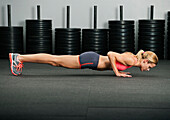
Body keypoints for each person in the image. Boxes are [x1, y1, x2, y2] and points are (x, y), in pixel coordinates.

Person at [9, 49, 158, 77]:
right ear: (145, 61)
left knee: (55, 61)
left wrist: (120, 70)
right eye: (149, 66)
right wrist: (117, 72)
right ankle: (19, 58)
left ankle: (20, 57)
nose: (148, 69)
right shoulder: (132, 59)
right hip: (90, 60)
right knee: (54, 60)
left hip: (91, 60)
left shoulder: (133, 59)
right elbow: (111, 54)